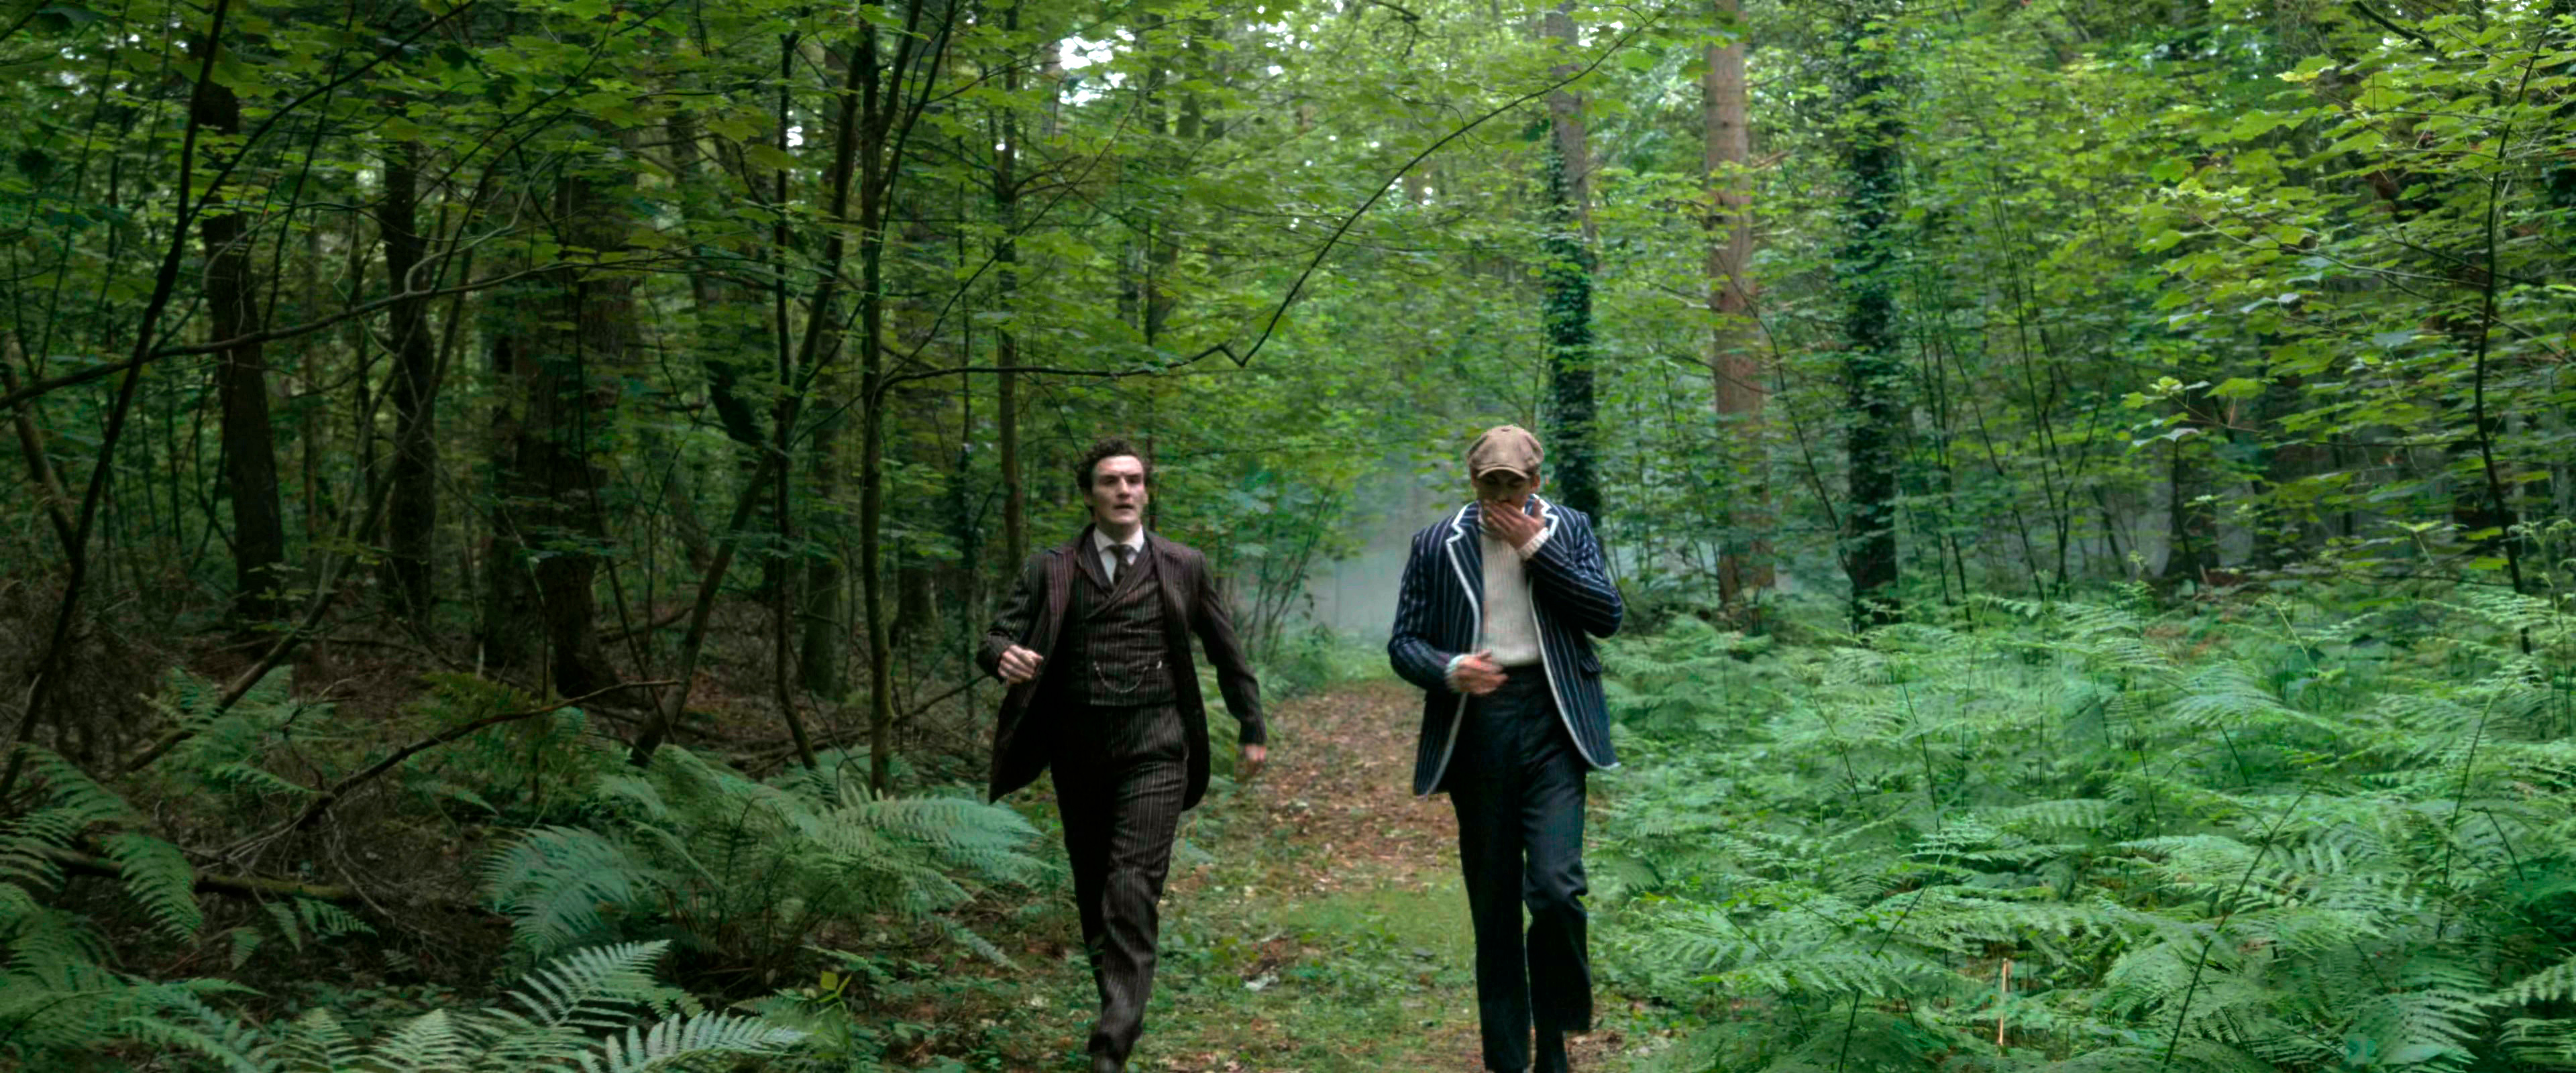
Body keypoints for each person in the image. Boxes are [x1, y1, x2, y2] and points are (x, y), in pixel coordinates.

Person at [978, 437, 1267, 1073]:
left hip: (1157, 746)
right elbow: (996, 634)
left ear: (1147, 491)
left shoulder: (1183, 564)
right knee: (1093, 890)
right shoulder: (1050, 567)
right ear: (1089, 495)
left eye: (1134, 480)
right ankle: (1117, 999)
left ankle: (1111, 1046)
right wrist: (1003, 655)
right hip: (1076, 749)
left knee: (1131, 884)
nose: (1124, 490)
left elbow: (1226, 651)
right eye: (1110, 481)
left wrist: (1252, 725)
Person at [1387, 425, 1623, 1073]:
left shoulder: (1570, 528)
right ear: (1472, 480)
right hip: (1478, 726)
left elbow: (1606, 616)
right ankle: (1507, 1058)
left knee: (1555, 890)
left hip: (1555, 720)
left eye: (1512, 484)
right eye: (1488, 483)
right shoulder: (1437, 543)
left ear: (1535, 481)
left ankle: (1556, 1041)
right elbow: (1403, 643)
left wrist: (1536, 547)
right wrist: (1448, 668)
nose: (1499, 496)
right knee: (1493, 902)